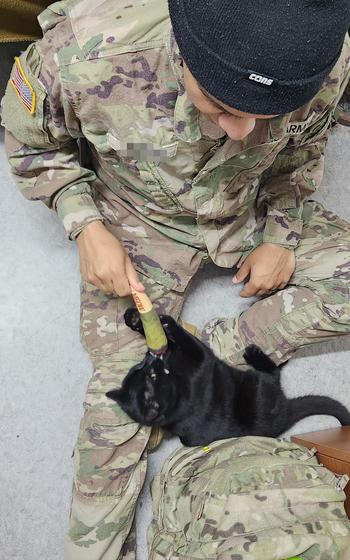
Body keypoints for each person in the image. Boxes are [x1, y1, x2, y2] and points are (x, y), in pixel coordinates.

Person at [1, 0, 350, 558]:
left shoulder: (323, 56)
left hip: (249, 208)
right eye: (219, 105)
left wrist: (282, 236)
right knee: (123, 410)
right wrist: (84, 223)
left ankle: (216, 347)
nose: (243, 131)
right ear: (183, 50)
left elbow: (303, 149)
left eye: (269, 110)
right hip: (140, 220)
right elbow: (29, 144)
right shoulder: (85, 48)